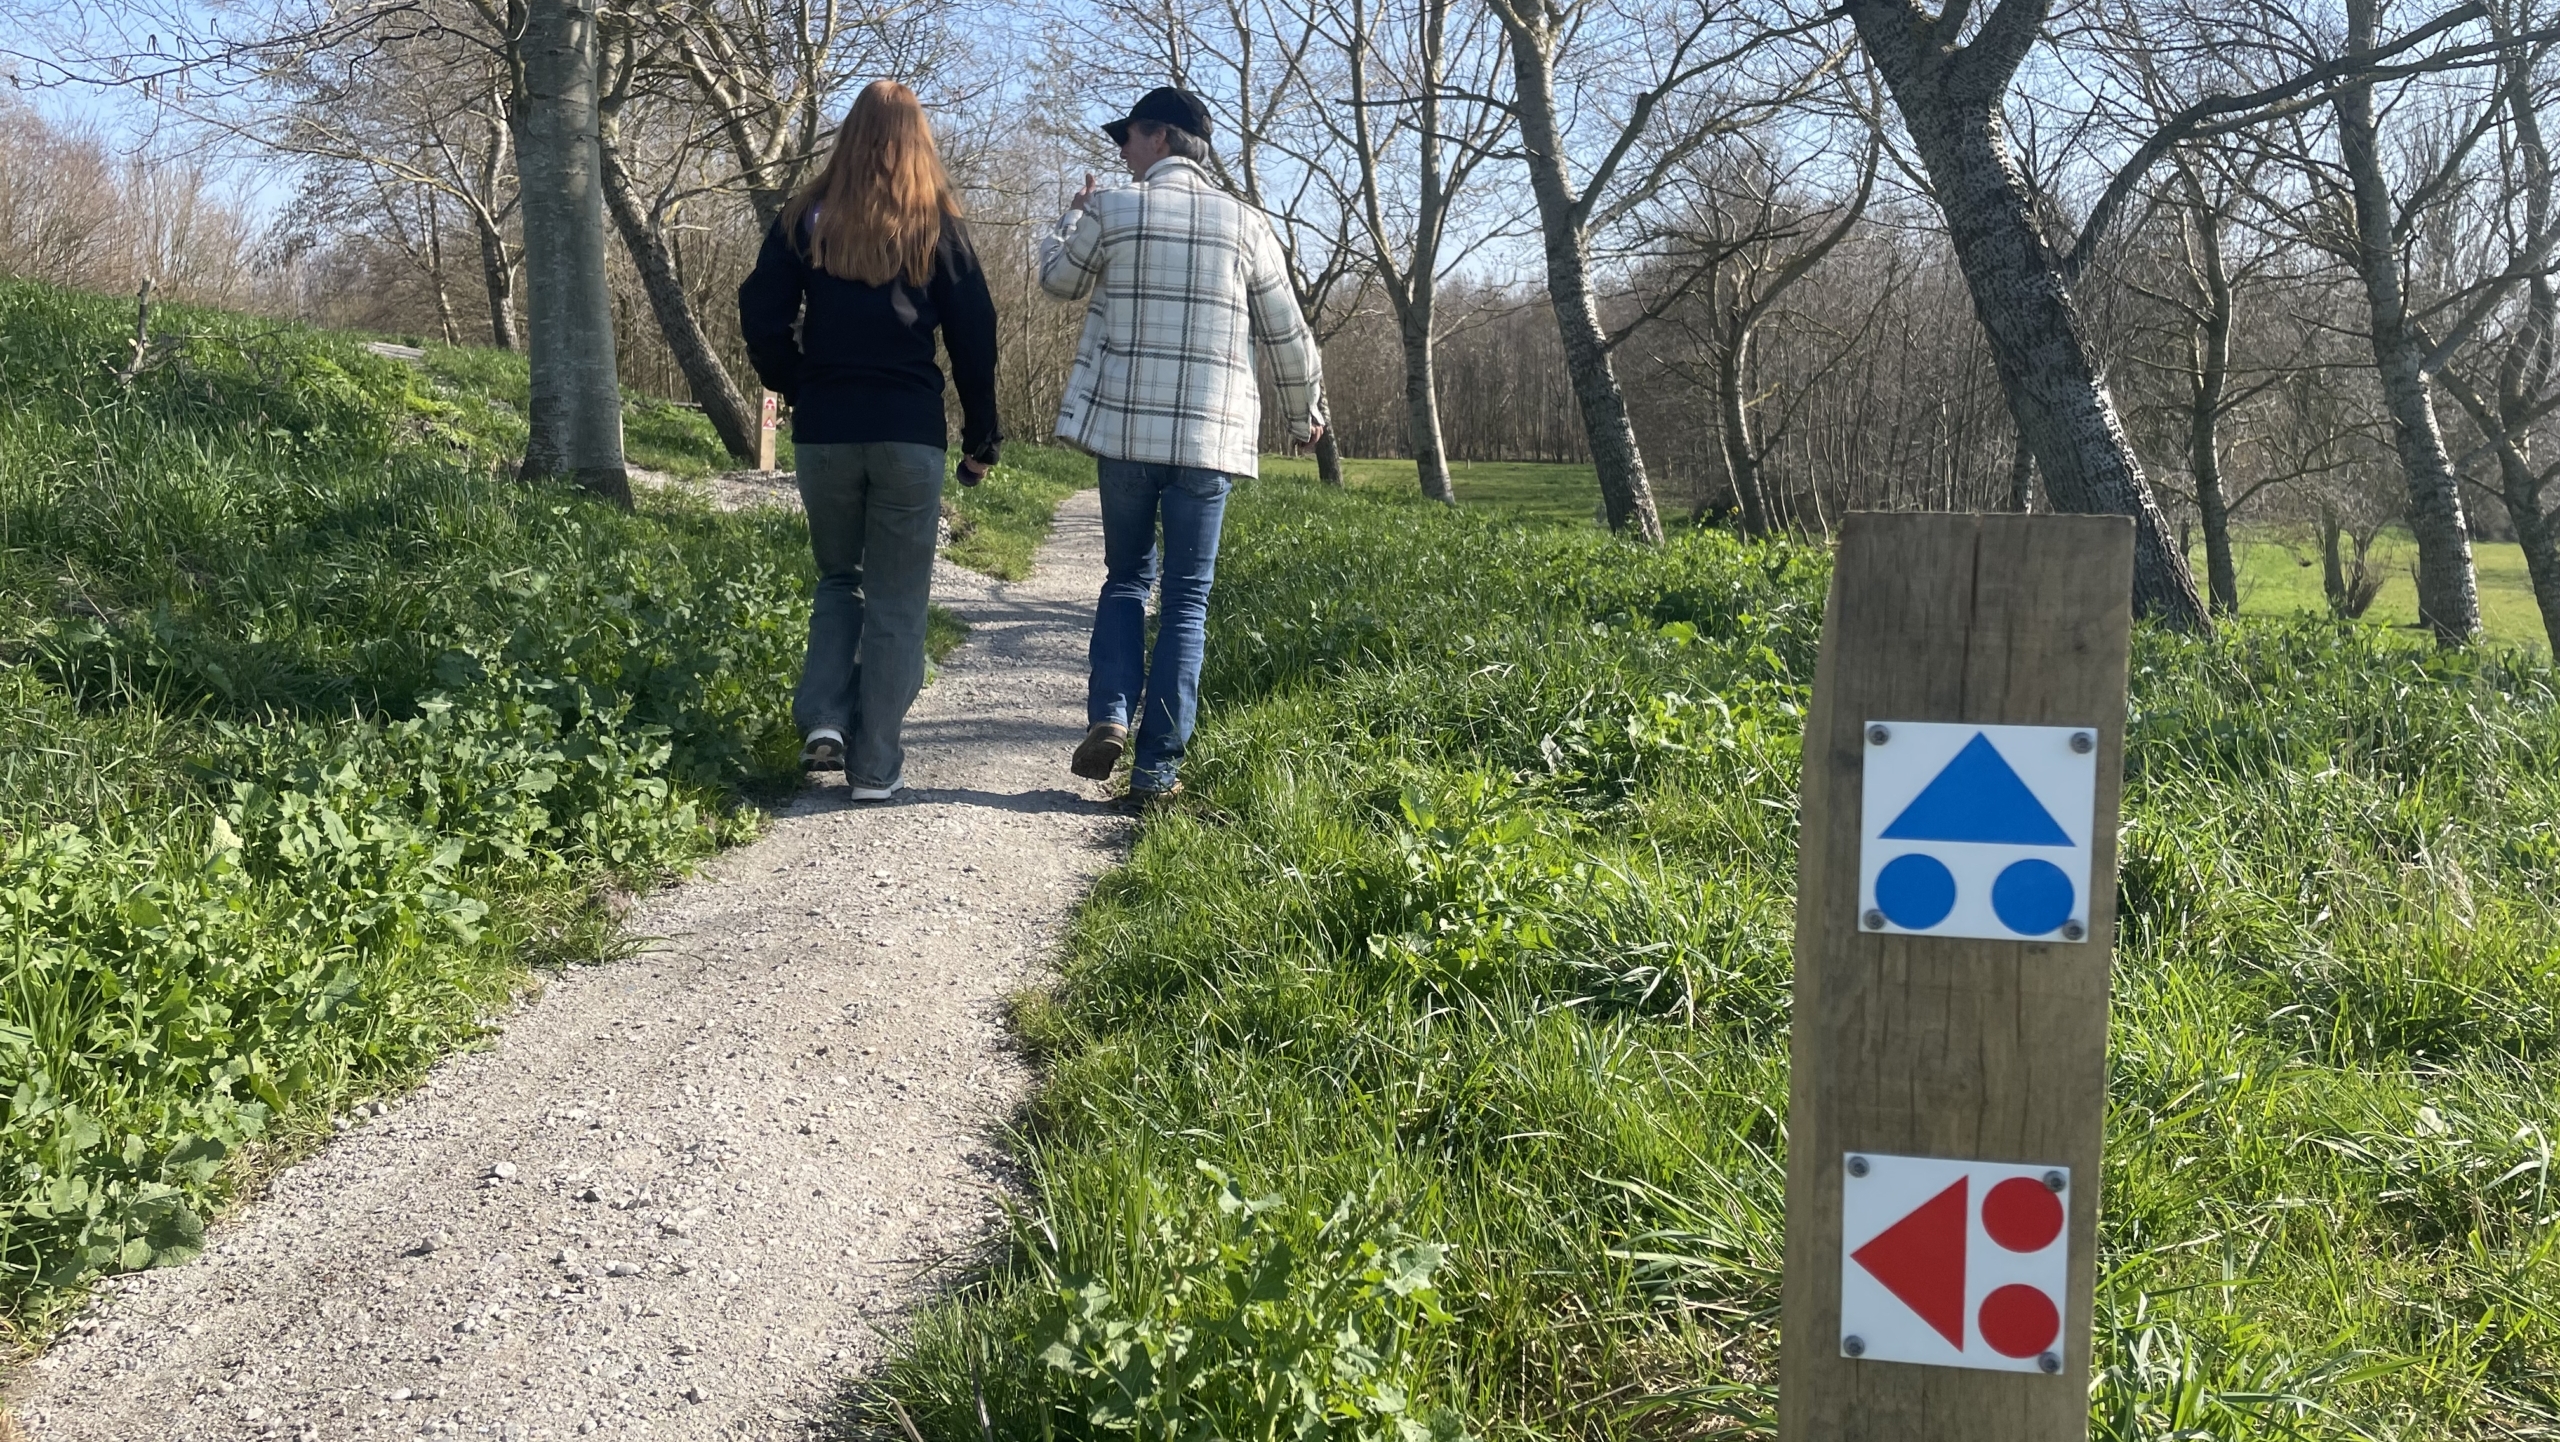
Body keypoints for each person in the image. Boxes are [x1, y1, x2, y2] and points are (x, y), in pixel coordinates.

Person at [1040, 86, 1326, 807]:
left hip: (1128, 435)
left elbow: (1057, 283)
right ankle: (1155, 770)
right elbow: (1287, 333)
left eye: (1127, 138)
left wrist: (1069, 217)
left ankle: (1109, 712)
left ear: (1160, 137)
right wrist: (1304, 414)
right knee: (1188, 601)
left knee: (1127, 579)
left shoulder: (1113, 210)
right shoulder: (1248, 224)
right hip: (1210, 440)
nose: (1122, 152)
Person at [739, 80, 1000, 800]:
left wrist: (797, 380)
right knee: (897, 600)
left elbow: (760, 312)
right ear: (919, 141)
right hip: (907, 433)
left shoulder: (807, 218)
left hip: (826, 430)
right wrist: (984, 436)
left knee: (838, 579)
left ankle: (824, 718)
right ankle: (876, 767)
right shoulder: (938, 227)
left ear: (848, 135)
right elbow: (976, 336)